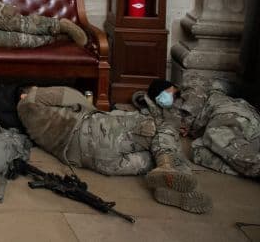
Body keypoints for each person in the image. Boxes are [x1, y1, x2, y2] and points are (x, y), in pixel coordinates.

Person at [18, 85, 212, 213]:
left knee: (152, 154)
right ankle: (168, 166)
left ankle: (168, 184)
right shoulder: (33, 97)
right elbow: (75, 97)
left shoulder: (27, 124)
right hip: (96, 133)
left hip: (92, 161)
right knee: (163, 127)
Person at [143, 78, 260, 179]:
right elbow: (157, 116)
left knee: (215, 134)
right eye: (158, 98)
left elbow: (193, 107)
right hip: (224, 127)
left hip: (228, 112)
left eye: (162, 94)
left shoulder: (190, 87)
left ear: (170, 88)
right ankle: (248, 168)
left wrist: (185, 125)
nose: (160, 99)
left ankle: (254, 166)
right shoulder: (172, 107)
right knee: (197, 151)